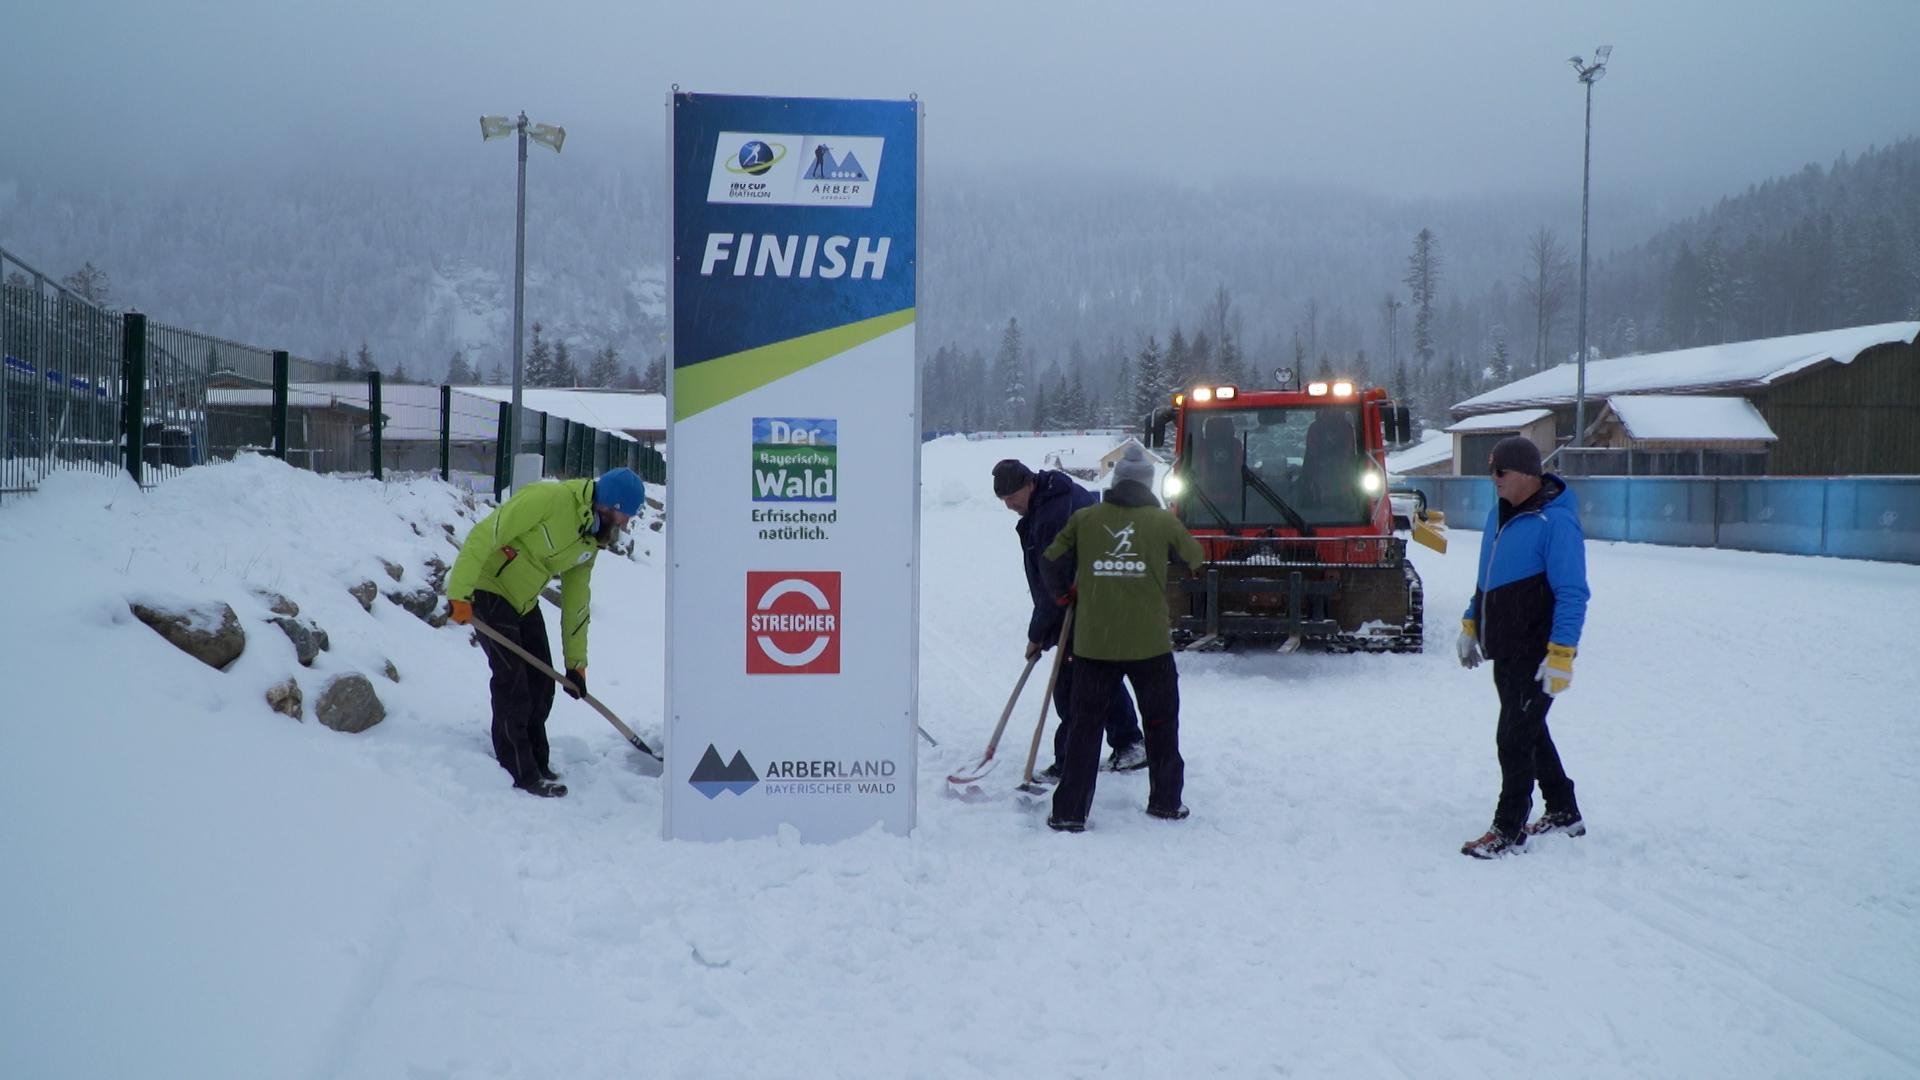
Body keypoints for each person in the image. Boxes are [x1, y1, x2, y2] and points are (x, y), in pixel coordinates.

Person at [447, 467, 646, 798]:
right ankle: (519, 771)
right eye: (625, 516)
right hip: (486, 588)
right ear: (610, 504)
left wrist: (576, 664)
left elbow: (576, 602)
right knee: (513, 683)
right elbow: (486, 534)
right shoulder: (550, 499)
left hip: (522, 601)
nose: (625, 525)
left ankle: (538, 762)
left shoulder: (590, 540)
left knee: (542, 687)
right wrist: (459, 593)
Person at [1039, 444, 1206, 832]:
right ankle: (1165, 802)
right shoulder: (1162, 522)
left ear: (1116, 482)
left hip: (1094, 645)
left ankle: (1069, 812)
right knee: (1161, 723)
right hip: (1149, 646)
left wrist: (1065, 595)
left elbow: (1050, 560)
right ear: (1147, 484)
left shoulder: (1085, 517)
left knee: (1084, 728)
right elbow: (1195, 557)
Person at [1456, 436, 1590, 858]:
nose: (1492, 479)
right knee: (1530, 732)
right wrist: (1470, 622)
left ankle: (1508, 827)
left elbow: (1572, 593)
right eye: (1490, 471)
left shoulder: (1556, 523)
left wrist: (1561, 655)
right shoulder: (1499, 516)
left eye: (1500, 471)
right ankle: (1564, 811)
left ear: (1528, 475)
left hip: (1537, 652)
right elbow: (1487, 578)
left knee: (1513, 738)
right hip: (1505, 647)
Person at [992, 457, 1147, 778]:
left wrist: (1038, 635)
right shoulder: (1047, 500)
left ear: (1029, 484)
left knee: (1070, 687)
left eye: (1012, 498)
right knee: (1096, 676)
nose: (1009, 505)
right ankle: (1129, 742)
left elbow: (1053, 584)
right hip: (1090, 600)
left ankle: (1071, 763)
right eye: (1003, 500)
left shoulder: (1052, 514)